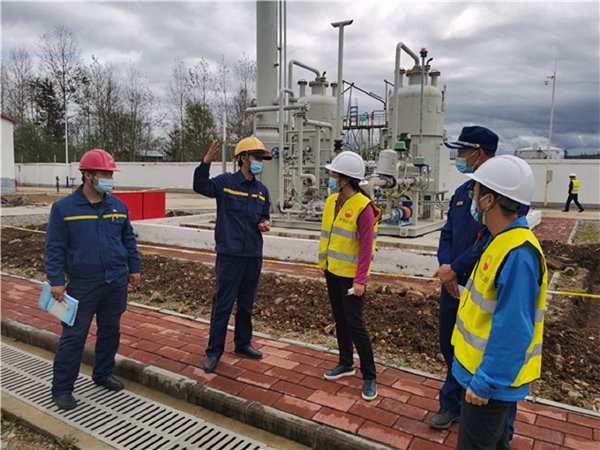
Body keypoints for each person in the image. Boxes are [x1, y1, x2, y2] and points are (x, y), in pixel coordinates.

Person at [452, 155, 547, 450]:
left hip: (489, 383)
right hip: (479, 374)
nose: (472, 199)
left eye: (475, 193)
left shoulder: (518, 254)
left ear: (489, 200)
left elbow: (514, 328)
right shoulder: (500, 239)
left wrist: (486, 381)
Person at [45, 149, 141, 411]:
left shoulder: (118, 207)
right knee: (74, 336)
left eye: (110, 174)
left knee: (110, 330)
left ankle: (103, 374)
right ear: (87, 175)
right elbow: (54, 248)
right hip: (82, 284)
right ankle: (62, 389)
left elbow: (128, 240)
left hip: (115, 281)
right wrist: (56, 280)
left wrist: (134, 268)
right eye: (104, 174)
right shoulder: (64, 209)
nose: (109, 179)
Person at [430, 126, 498, 429]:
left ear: (479, 153)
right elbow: (447, 233)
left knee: (479, 348)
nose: (458, 157)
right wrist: (447, 269)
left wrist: (456, 269)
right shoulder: (462, 193)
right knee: (450, 343)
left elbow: (491, 239)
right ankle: (453, 403)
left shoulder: (502, 195)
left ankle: (479, 407)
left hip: (482, 286)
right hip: (453, 285)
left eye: (462, 151)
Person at [193, 137, 272, 373]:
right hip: (230, 255)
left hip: (253, 255)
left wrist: (265, 224)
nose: (259, 163)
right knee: (223, 304)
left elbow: (264, 216)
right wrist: (206, 162)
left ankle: (243, 343)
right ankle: (214, 351)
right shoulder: (226, 183)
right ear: (243, 159)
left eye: (261, 159)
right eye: (256, 158)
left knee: (246, 303)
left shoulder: (262, 191)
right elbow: (201, 186)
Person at [318, 151, 382, 401]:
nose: (332, 178)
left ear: (345, 179)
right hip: (333, 272)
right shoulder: (332, 201)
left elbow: (367, 248)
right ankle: (345, 363)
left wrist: (360, 280)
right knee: (340, 320)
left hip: (351, 278)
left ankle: (370, 375)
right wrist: (324, 264)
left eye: (334, 175)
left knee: (355, 324)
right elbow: (328, 235)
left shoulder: (364, 208)